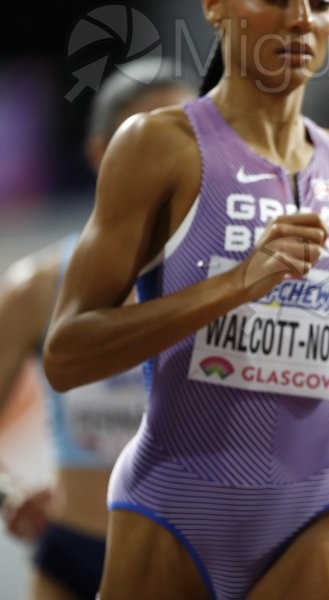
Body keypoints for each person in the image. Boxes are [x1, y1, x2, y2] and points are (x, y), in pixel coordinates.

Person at [42, 0, 329, 597]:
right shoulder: (159, 144)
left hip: (314, 506)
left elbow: (328, 331)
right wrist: (236, 284)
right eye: (279, 1)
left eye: (323, 3)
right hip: (174, 507)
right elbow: (67, 356)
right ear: (214, 8)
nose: (303, 18)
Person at [0, 59, 193, 600]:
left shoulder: (241, 278)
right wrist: (7, 493)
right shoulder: (37, 287)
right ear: (98, 154)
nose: (165, 162)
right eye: (142, 140)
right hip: (75, 555)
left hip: (192, 566)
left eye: (182, 137)